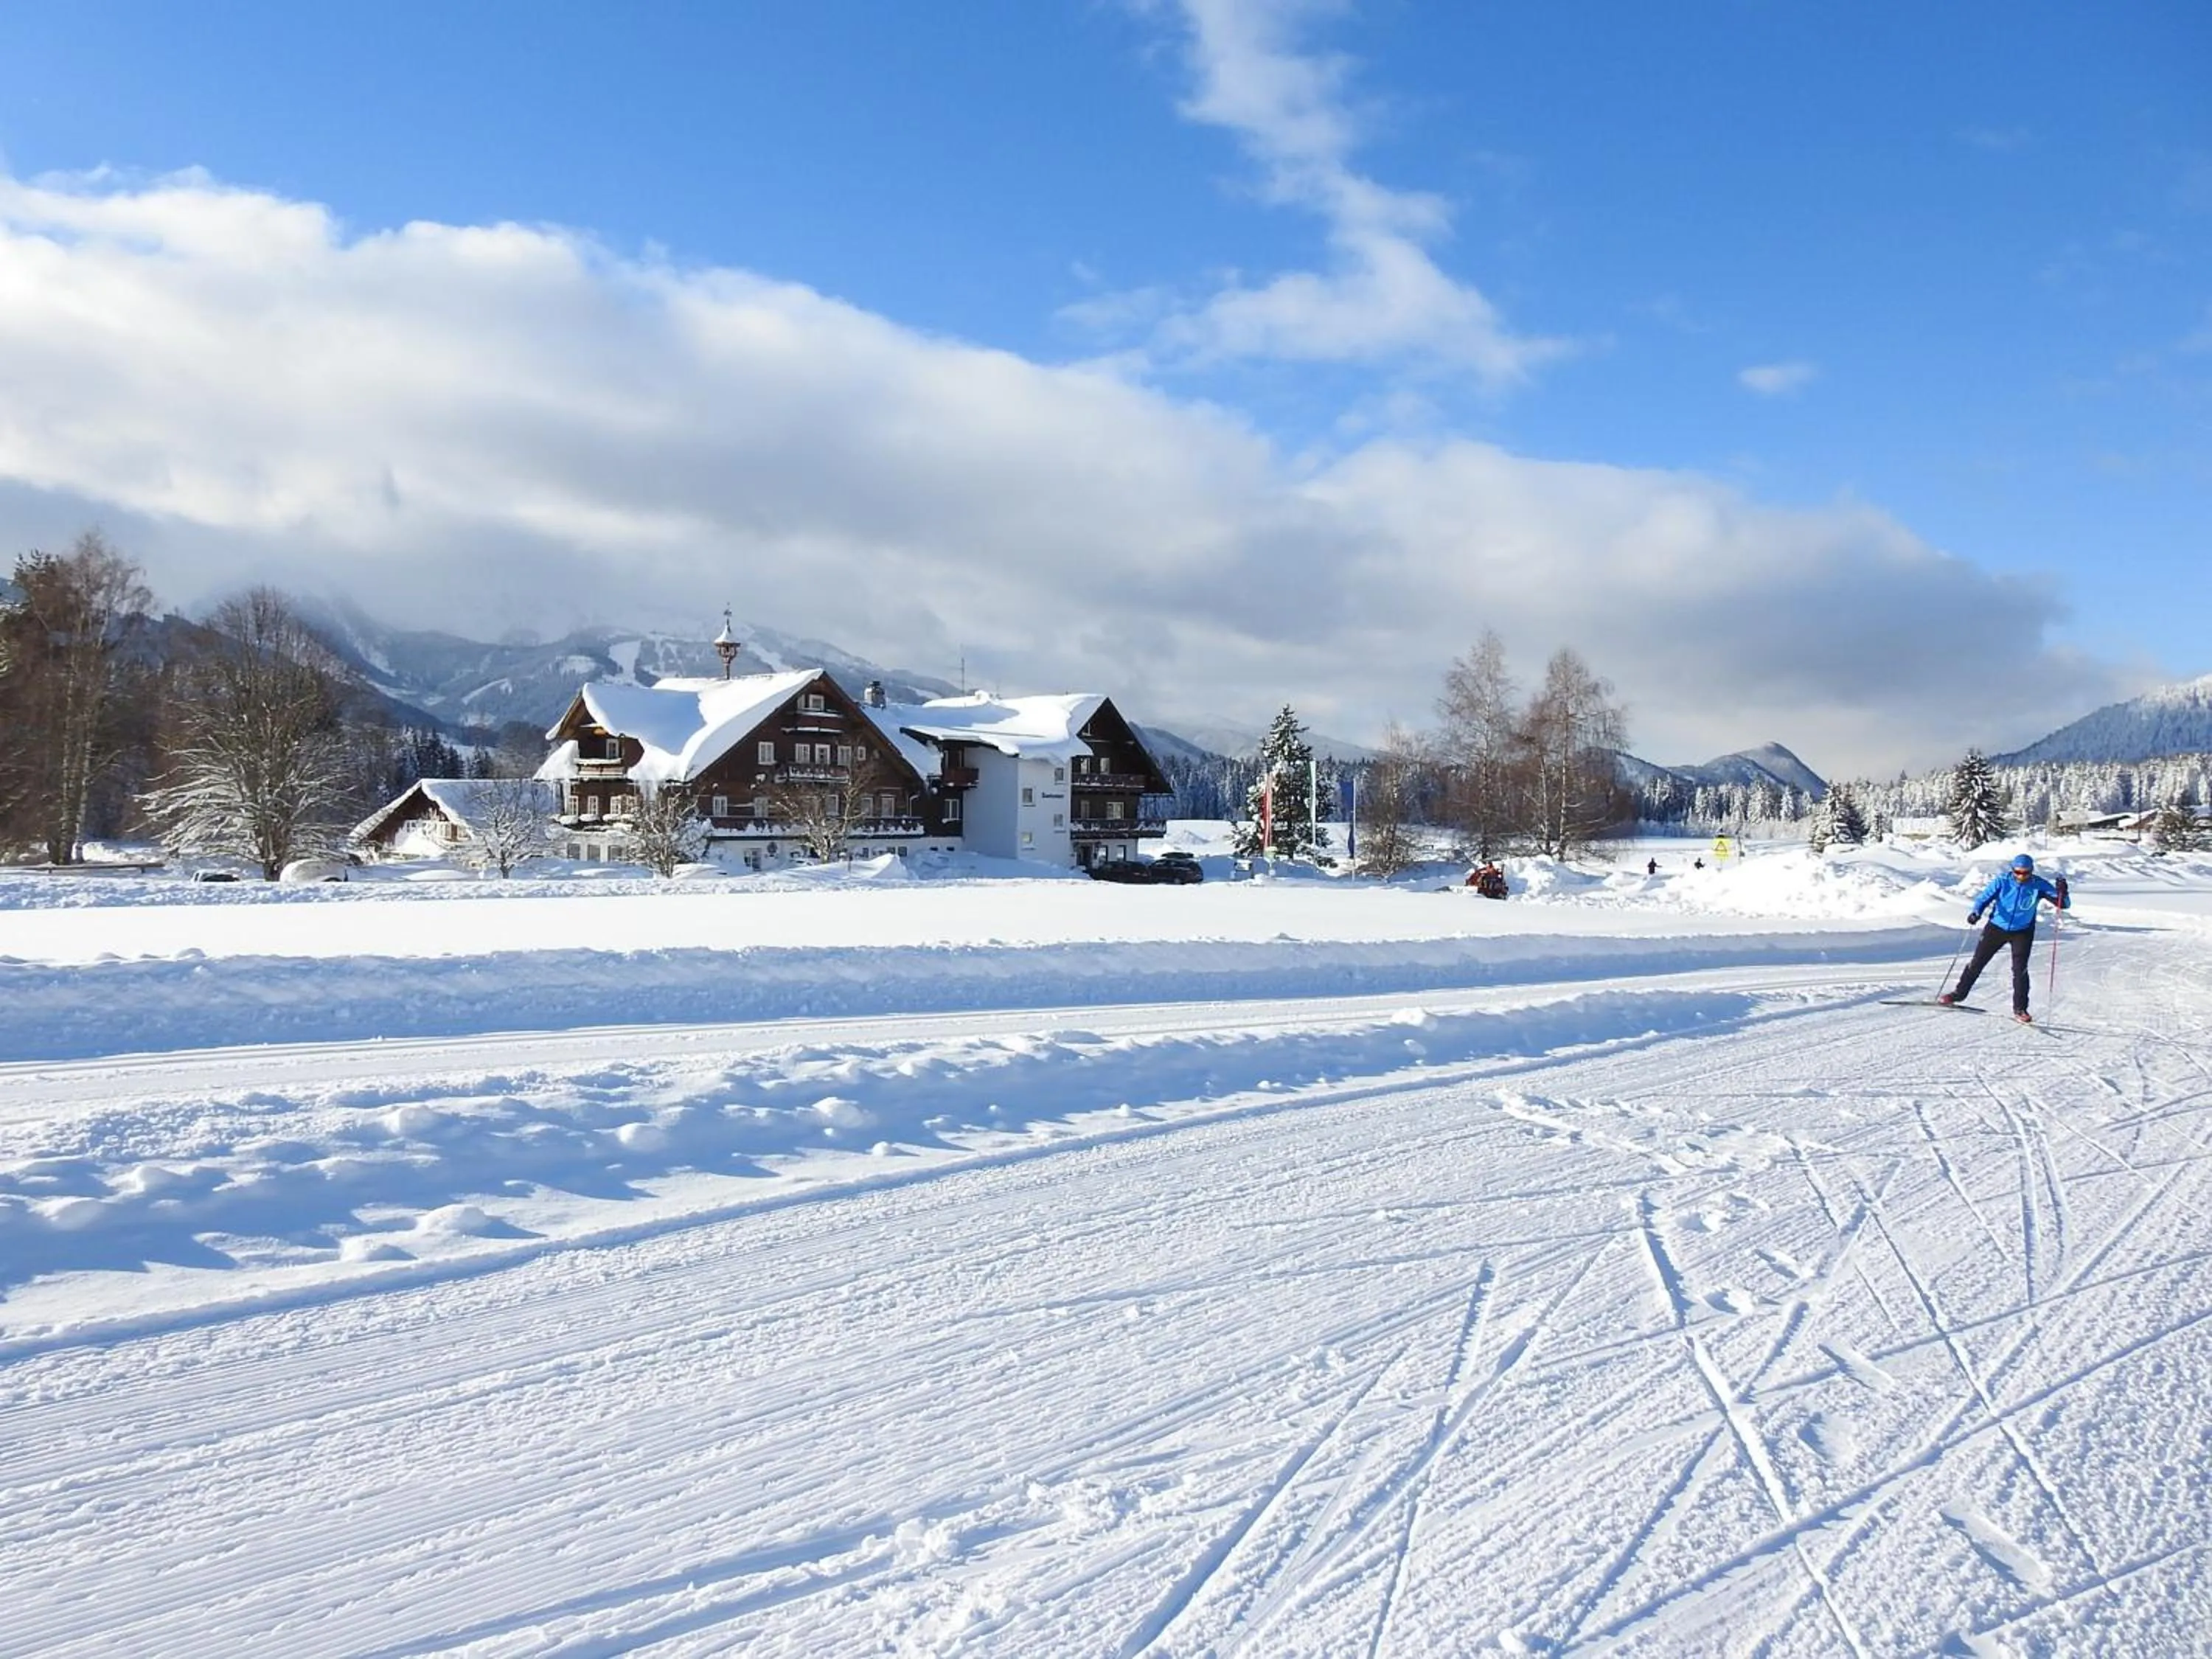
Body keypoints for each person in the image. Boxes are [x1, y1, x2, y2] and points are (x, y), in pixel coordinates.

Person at [1940, 853, 2069, 1022]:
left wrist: (2062, 892)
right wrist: (1976, 912)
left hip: (2022, 931)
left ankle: (2020, 1009)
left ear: (2031, 871)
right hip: (1996, 928)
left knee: (2020, 970)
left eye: (2025, 873)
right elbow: (1983, 899)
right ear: (2013, 870)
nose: (2021, 876)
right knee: (1977, 962)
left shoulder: (2039, 885)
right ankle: (1958, 994)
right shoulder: (2002, 881)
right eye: (2018, 872)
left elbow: (2063, 904)